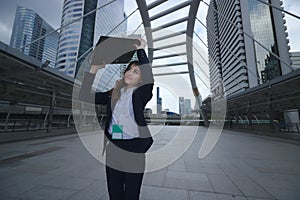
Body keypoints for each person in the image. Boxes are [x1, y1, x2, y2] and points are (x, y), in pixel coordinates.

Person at [79, 38, 154, 200]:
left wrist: (141, 50)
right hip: (114, 149)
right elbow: (84, 95)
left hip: (134, 150)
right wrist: (93, 69)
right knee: (115, 194)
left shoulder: (141, 94)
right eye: (129, 69)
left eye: (136, 71)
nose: (130, 72)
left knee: (131, 195)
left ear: (141, 79)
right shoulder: (113, 94)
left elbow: (149, 77)